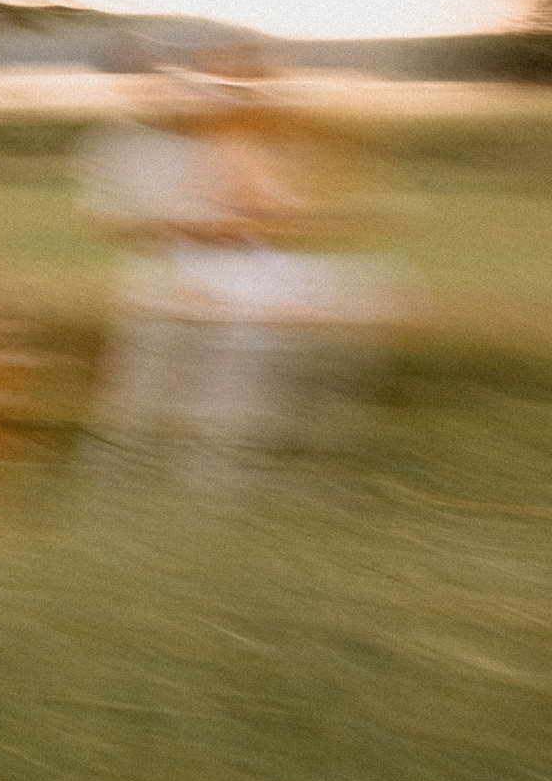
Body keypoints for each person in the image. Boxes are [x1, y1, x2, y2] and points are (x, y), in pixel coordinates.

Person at [75, 43, 399, 488]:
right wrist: (210, 227)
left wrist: (277, 214)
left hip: (248, 260)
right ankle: (216, 461)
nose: (170, 94)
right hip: (178, 266)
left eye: (176, 84)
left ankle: (305, 447)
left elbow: (269, 211)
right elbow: (122, 223)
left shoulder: (226, 139)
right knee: (246, 318)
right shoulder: (122, 144)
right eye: (151, 84)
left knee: (367, 292)